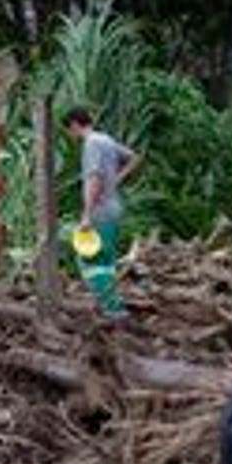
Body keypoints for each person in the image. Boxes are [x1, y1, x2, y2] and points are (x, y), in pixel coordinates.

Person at [62, 107, 144, 319]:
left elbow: (94, 179)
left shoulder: (91, 144)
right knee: (105, 260)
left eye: (69, 131)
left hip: (100, 210)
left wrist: (87, 214)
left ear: (74, 125)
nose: (70, 136)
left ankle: (113, 309)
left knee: (92, 261)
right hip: (114, 207)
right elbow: (134, 158)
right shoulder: (105, 139)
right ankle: (109, 305)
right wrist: (117, 178)